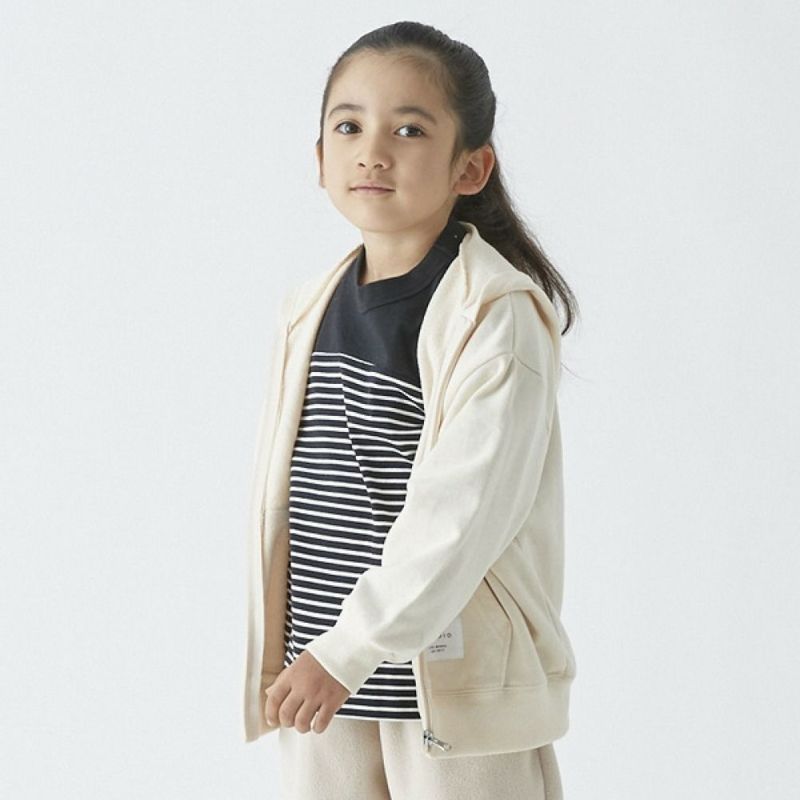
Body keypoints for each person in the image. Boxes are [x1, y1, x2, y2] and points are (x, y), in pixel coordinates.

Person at [243, 20, 580, 800]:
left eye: (409, 129)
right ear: (319, 157)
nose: (372, 152)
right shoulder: (309, 307)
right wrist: (317, 653)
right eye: (349, 126)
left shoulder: (493, 315)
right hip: (322, 677)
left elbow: (462, 516)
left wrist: (348, 651)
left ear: (471, 167)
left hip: (449, 689)